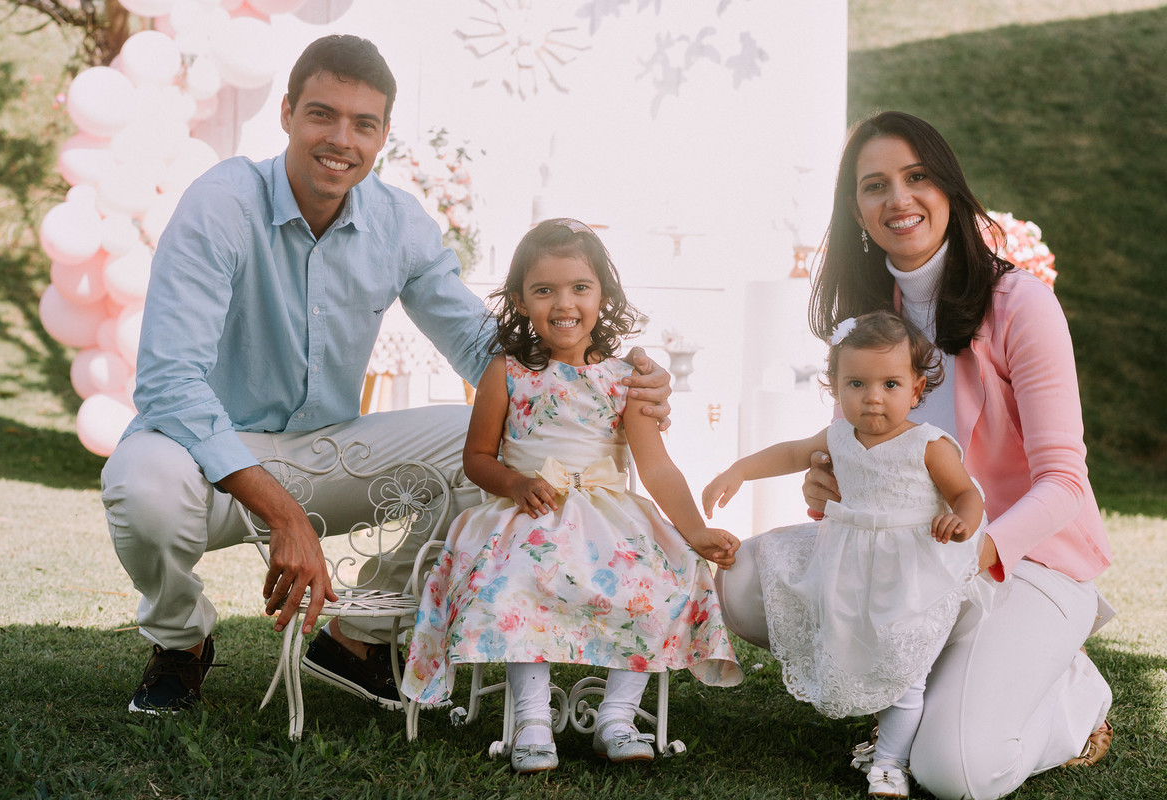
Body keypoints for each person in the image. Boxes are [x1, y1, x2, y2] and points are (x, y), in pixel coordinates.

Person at [99, 35, 671, 717]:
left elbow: (485, 347)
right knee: (140, 484)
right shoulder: (221, 203)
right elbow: (169, 381)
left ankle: (357, 640)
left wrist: (609, 380)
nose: (341, 139)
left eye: (362, 123)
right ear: (286, 113)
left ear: (383, 135)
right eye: (322, 114)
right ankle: (180, 642)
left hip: (332, 450)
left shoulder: (398, 222)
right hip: (213, 457)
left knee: (486, 443)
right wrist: (283, 514)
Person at [715, 111, 1114, 800]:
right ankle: (923, 678)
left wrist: (974, 554)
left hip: (1015, 564)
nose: (898, 198)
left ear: (949, 189)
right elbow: (866, 448)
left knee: (955, 772)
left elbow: (1064, 485)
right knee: (744, 585)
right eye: (876, 185)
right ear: (857, 210)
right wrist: (830, 480)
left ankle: (1071, 696)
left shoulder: (1021, 304)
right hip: (900, 560)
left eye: (917, 177)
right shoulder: (870, 318)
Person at [400, 218, 743, 773]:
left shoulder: (624, 378)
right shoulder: (506, 372)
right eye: (545, 290)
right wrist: (514, 483)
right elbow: (478, 458)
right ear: (520, 300)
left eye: (580, 287)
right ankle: (532, 720)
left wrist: (694, 528)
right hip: (529, 510)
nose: (565, 303)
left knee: (654, 579)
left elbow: (655, 468)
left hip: (609, 517)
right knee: (516, 580)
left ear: (602, 295)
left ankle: (617, 716)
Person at [703, 311, 985, 799]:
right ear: (834, 386)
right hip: (848, 565)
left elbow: (967, 494)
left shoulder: (927, 445)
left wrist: (961, 518)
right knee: (857, 648)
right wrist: (738, 471)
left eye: (890, 384)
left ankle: (890, 763)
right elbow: (791, 453)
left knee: (904, 668)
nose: (873, 396)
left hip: (909, 569)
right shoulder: (838, 436)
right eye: (856, 383)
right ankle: (876, 732)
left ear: (916, 390)